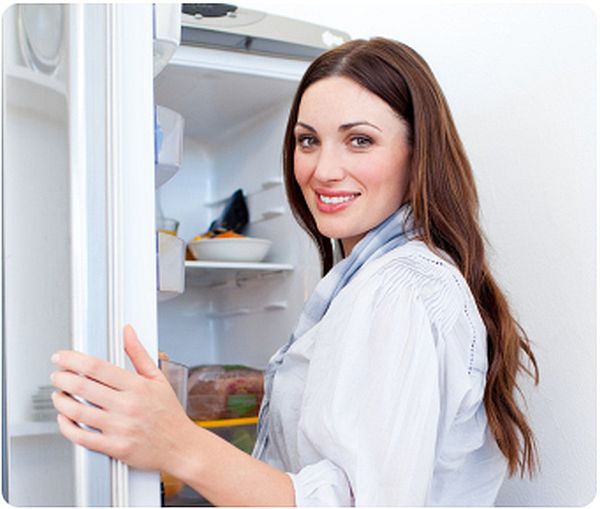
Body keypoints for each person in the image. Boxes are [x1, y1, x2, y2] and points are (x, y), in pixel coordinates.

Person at [50, 37, 539, 506]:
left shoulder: (399, 289)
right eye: (308, 141)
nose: (323, 169)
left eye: (360, 140)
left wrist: (180, 445)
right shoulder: (370, 281)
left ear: (418, 153)